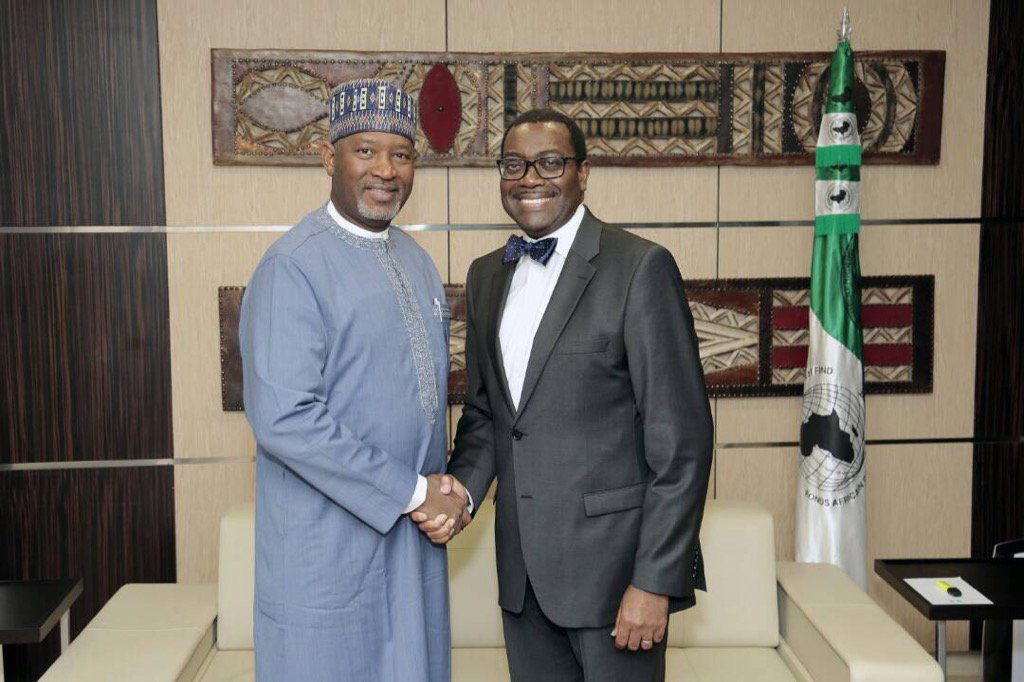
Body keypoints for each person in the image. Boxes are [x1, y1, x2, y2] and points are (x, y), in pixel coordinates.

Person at [417, 109, 713, 681]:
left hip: (616, 581)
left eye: (550, 162)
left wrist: (655, 580)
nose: (530, 177)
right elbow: (486, 415)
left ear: (583, 172)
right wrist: (460, 497)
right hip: (522, 579)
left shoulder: (639, 267)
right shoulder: (485, 277)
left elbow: (683, 445)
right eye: (513, 164)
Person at [240, 78, 467, 682]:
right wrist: (417, 493)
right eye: (365, 150)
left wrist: (439, 497)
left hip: (410, 547)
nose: (386, 170)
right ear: (326, 156)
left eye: (401, 153)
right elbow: (285, 419)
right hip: (326, 555)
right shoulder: (293, 267)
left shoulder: (416, 262)